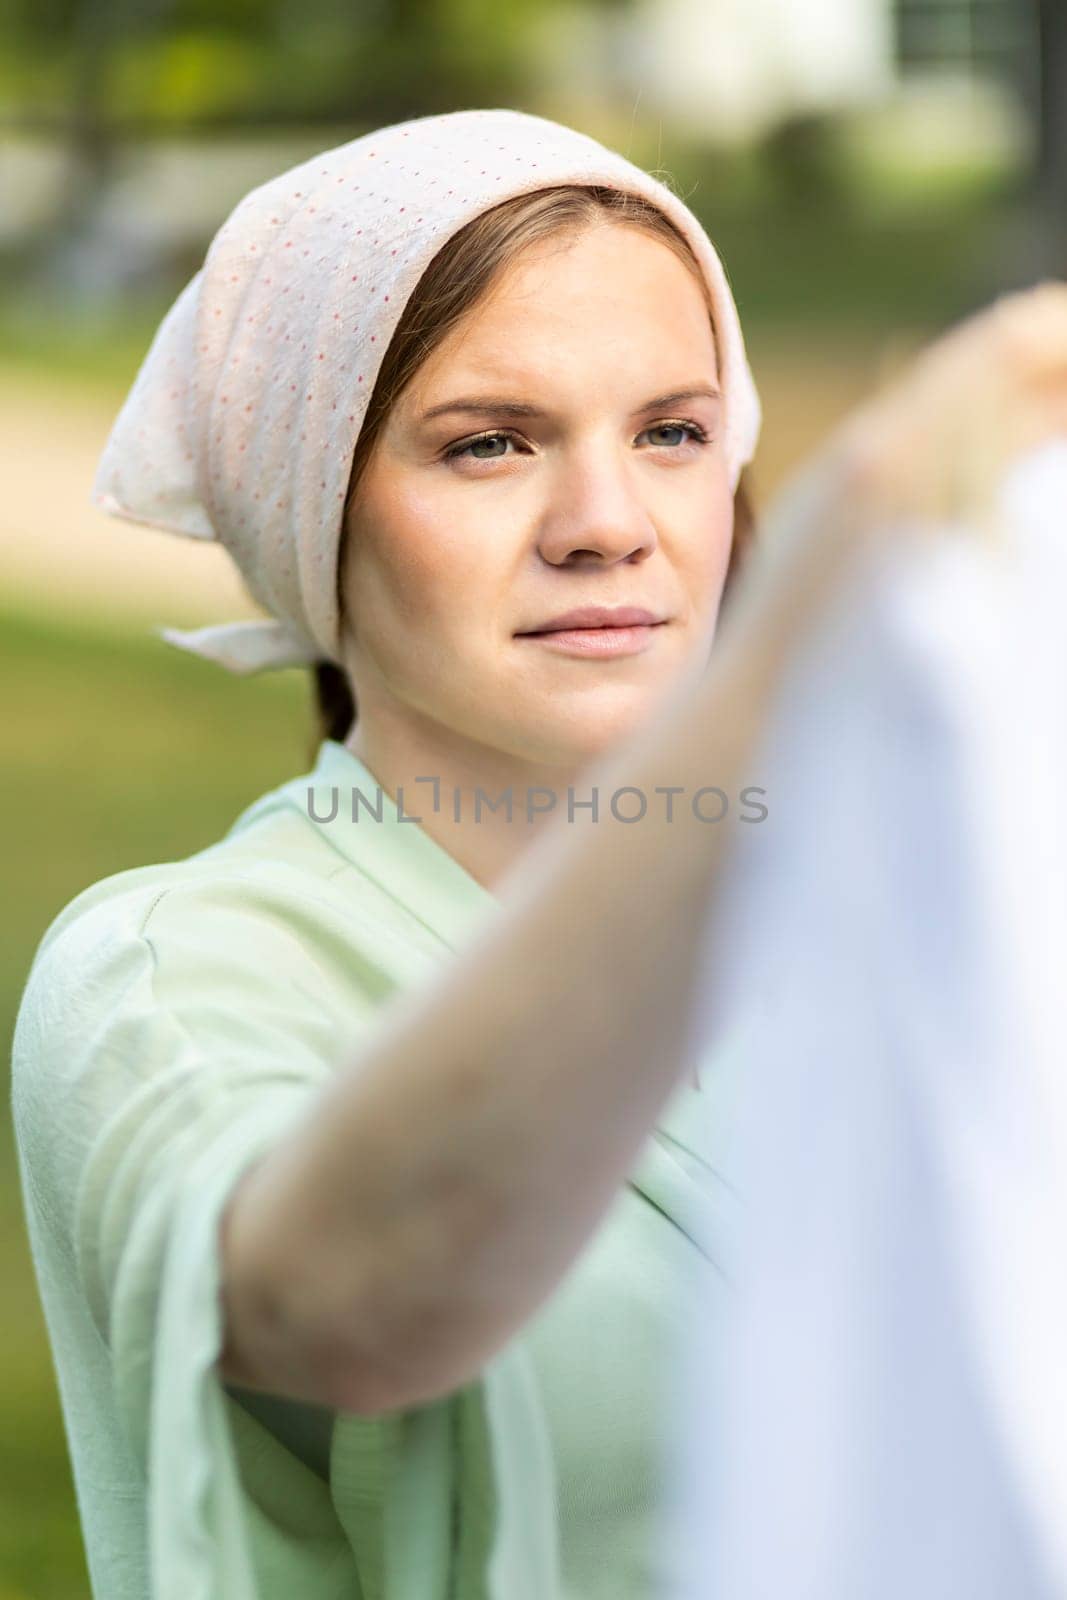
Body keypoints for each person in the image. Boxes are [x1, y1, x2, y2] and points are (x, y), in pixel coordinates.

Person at [8, 100, 1065, 1600]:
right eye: (489, 443)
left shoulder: (906, 922)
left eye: (673, 433)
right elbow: (341, 1308)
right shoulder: (168, 975)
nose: (607, 521)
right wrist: (796, 659)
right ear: (306, 506)